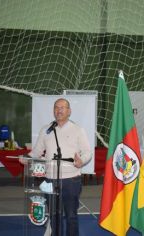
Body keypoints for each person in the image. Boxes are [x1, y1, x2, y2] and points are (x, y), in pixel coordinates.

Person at [27, 98, 92, 236]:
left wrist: (82, 161)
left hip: (71, 180)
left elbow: (88, 152)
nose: (59, 110)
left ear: (69, 111)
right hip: (50, 180)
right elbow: (37, 151)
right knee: (54, 216)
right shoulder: (46, 130)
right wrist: (26, 158)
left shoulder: (78, 130)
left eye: (62, 107)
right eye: (56, 107)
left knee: (71, 216)